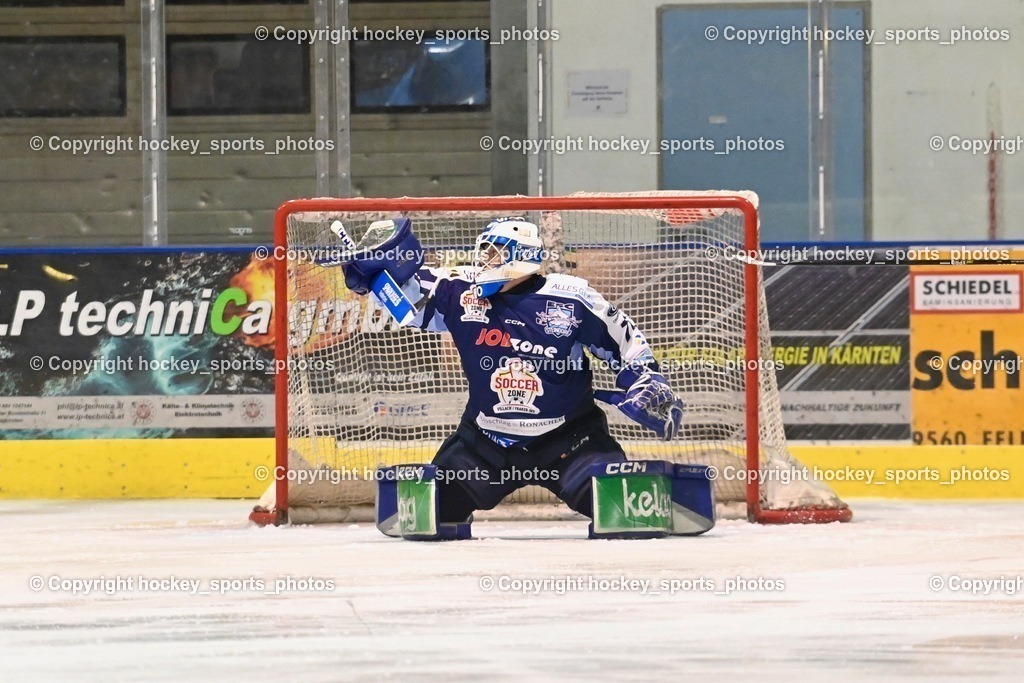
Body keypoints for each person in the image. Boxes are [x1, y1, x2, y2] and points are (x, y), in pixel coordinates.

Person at [342, 217, 684, 531]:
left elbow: (623, 342)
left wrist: (646, 381)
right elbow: (408, 300)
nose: (484, 261)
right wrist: (375, 277)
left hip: (571, 443)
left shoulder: (573, 297)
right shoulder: (461, 290)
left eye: (495, 252)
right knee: (428, 517)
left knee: (629, 519)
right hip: (485, 445)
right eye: (484, 252)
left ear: (522, 256)